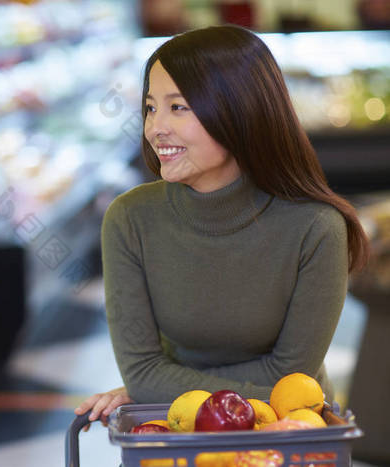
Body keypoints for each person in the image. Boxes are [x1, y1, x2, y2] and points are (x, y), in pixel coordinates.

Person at [75, 24, 370, 430]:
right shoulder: (130, 219)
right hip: (181, 429)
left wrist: (165, 389)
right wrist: (151, 387)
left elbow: (289, 385)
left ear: (240, 111)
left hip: (288, 431)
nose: (156, 126)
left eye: (178, 107)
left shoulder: (316, 228)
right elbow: (141, 372)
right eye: (150, 107)